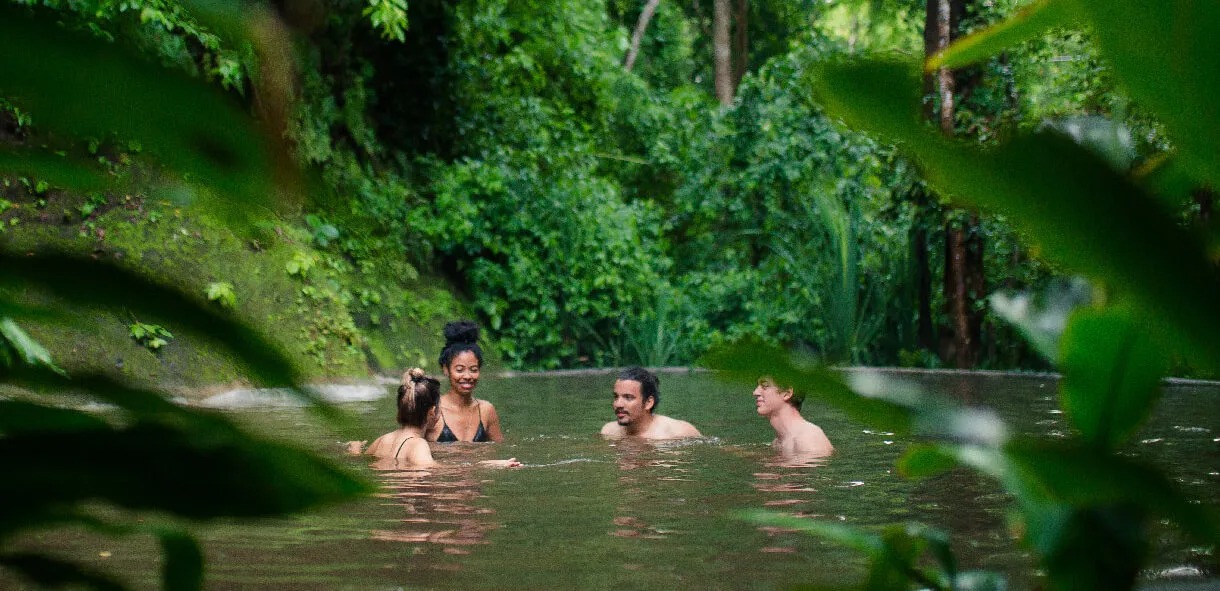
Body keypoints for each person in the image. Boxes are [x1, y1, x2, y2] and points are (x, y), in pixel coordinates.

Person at [349, 368, 519, 468]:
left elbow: (358, 461)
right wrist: (489, 465)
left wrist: (355, 448)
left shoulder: (382, 440)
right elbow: (441, 471)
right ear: (432, 413)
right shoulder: (418, 445)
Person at [425, 320, 505, 443]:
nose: (467, 376)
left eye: (473, 369)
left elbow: (499, 449)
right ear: (446, 369)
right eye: (459, 369)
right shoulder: (432, 410)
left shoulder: (486, 410)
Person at [600, 366, 701, 440]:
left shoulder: (679, 432)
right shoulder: (609, 432)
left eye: (628, 397)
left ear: (648, 402)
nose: (618, 404)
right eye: (616, 397)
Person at [752, 376, 833, 457]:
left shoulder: (807, 439)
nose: (755, 392)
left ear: (787, 393)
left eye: (765, 386)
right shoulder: (779, 442)